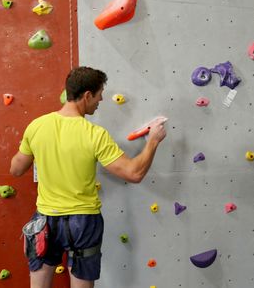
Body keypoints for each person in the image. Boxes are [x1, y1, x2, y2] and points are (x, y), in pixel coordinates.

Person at [9, 66, 167, 288]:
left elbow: (16, 169)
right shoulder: (94, 134)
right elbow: (134, 173)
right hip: (82, 222)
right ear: (86, 95)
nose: (99, 102)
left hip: (45, 220)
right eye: (99, 97)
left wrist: (42, 151)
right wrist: (153, 142)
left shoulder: (37, 126)